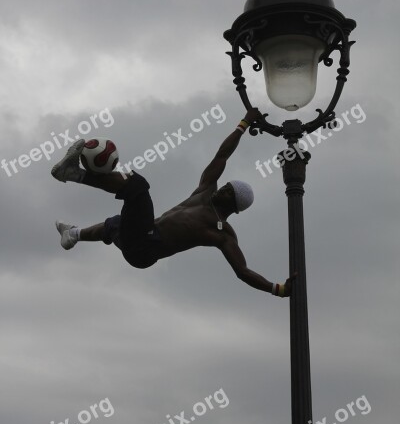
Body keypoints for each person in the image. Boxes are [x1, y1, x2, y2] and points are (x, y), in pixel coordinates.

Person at [51, 108, 293, 297]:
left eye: (228, 191)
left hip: (146, 250)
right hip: (137, 236)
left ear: (235, 204)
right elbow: (222, 155)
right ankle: (73, 234)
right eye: (226, 185)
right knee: (115, 223)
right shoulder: (205, 191)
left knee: (138, 186)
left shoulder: (222, 234)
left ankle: (73, 174)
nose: (223, 189)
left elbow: (243, 271)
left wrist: (278, 289)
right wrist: (244, 124)